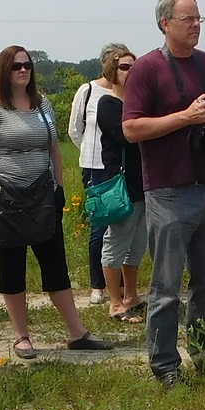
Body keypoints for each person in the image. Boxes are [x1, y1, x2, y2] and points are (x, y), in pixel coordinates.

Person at [122, 0, 205, 387]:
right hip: (169, 190)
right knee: (167, 286)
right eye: (188, 19)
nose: (195, 26)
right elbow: (132, 128)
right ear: (165, 24)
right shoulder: (147, 69)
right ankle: (166, 367)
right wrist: (185, 117)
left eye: (199, 19)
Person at [0, 45, 113, 359]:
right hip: (8, 199)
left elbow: (55, 150)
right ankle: (22, 336)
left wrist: (59, 186)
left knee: (55, 263)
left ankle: (77, 333)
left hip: (42, 197)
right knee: (12, 266)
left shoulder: (43, 105)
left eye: (27, 65)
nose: (23, 71)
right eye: (16, 66)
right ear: (4, 71)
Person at [85, 46, 146, 319]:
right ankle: (114, 300)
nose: (130, 71)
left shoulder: (140, 104)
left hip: (143, 182)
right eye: (124, 67)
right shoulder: (108, 103)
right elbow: (126, 136)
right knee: (116, 240)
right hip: (119, 182)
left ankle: (131, 295)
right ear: (112, 70)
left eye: (134, 66)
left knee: (137, 242)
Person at [66, 70, 107, 308]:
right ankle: (97, 285)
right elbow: (74, 130)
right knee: (99, 227)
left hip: (126, 167)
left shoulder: (131, 90)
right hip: (96, 167)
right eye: (121, 65)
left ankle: (122, 285)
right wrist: (90, 150)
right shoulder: (88, 90)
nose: (126, 70)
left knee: (125, 228)